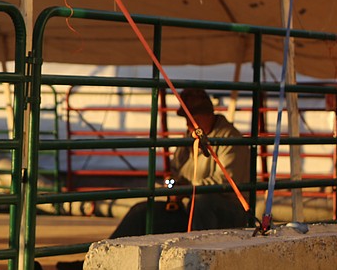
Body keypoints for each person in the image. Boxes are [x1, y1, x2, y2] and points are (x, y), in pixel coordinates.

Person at [56, 88, 251, 270]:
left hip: (224, 211)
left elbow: (226, 182)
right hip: (190, 206)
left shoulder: (230, 139)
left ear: (207, 115)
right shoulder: (191, 138)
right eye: (188, 119)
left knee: (202, 202)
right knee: (141, 212)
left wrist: (184, 189)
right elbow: (177, 170)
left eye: (193, 118)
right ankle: (98, 262)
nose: (188, 123)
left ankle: (195, 261)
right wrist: (173, 184)